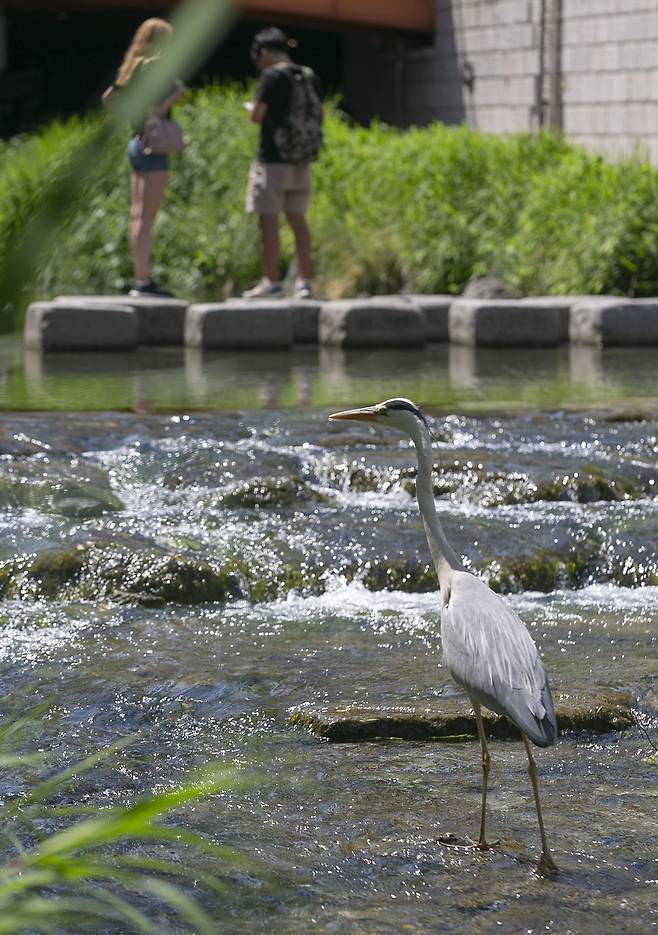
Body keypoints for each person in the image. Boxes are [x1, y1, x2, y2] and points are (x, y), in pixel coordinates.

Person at [102, 18, 185, 297]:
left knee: (137, 215)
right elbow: (156, 109)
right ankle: (144, 281)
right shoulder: (155, 68)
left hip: (136, 143)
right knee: (147, 216)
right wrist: (176, 94)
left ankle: (140, 278)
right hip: (153, 146)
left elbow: (109, 99)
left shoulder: (131, 67)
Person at [243, 27, 323, 300]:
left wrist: (251, 110)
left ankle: (272, 283)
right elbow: (319, 114)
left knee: (268, 222)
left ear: (264, 52)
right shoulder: (308, 75)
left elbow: (258, 116)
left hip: (274, 160)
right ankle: (305, 283)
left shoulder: (271, 76)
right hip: (302, 159)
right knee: (299, 222)